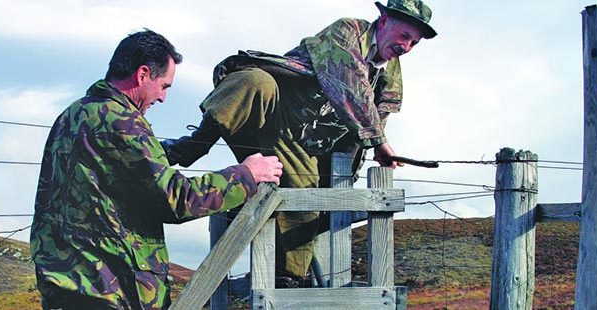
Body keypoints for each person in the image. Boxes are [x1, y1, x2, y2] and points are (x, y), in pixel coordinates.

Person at [161, 0, 437, 286]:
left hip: (305, 143)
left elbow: (380, 114)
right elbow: (349, 83)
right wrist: (378, 143)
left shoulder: (390, 72)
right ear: (383, 22)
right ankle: (193, 145)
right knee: (253, 81)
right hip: (274, 112)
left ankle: (289, 280)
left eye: (414, 43)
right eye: (404, 36)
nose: (406, 47)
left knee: (305, 202)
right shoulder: (348, 31)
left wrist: (351, 171)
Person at [30, 29, 283, 309]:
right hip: (107, 290)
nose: (163, 98)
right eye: (164, 86)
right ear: (142, 75)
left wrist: (178, 149)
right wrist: (245, 175)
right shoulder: (121, 121)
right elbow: (175, 199)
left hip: (67, 286)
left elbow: (119, 166)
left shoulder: (73, 116)